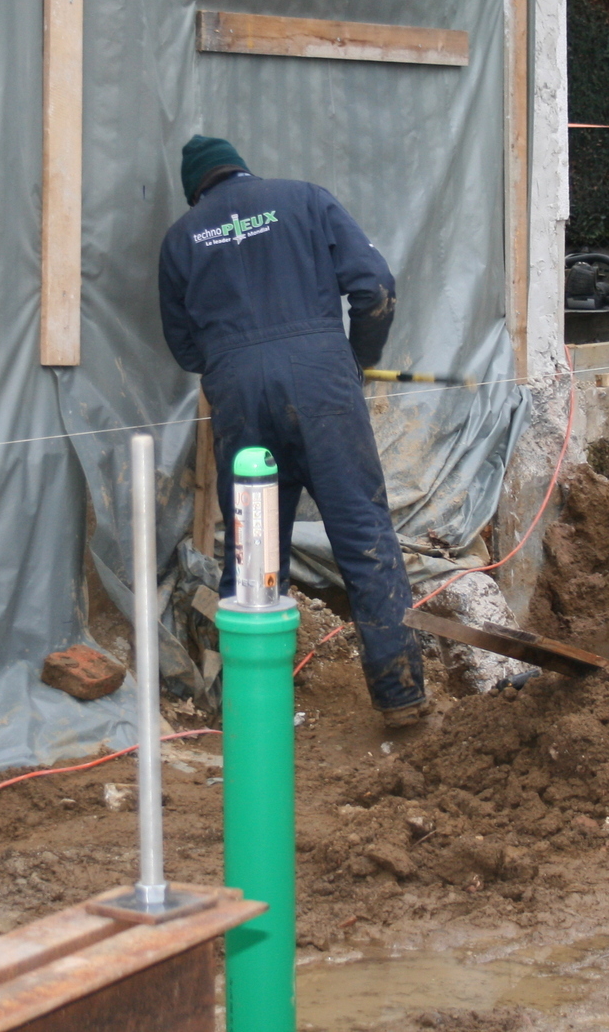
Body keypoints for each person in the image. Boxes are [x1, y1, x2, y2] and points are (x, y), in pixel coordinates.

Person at [157, 135, 427, 725]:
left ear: (195, 189)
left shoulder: (182, 238)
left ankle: (248, 708)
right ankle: (399, 692)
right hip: (322, 381)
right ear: (242, 169)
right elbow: (375, 289)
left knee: (254, 544)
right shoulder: (303, 199)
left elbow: (183, 348)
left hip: (239, 394)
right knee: (360, 530)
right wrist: (354, 359)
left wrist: (236, 364)